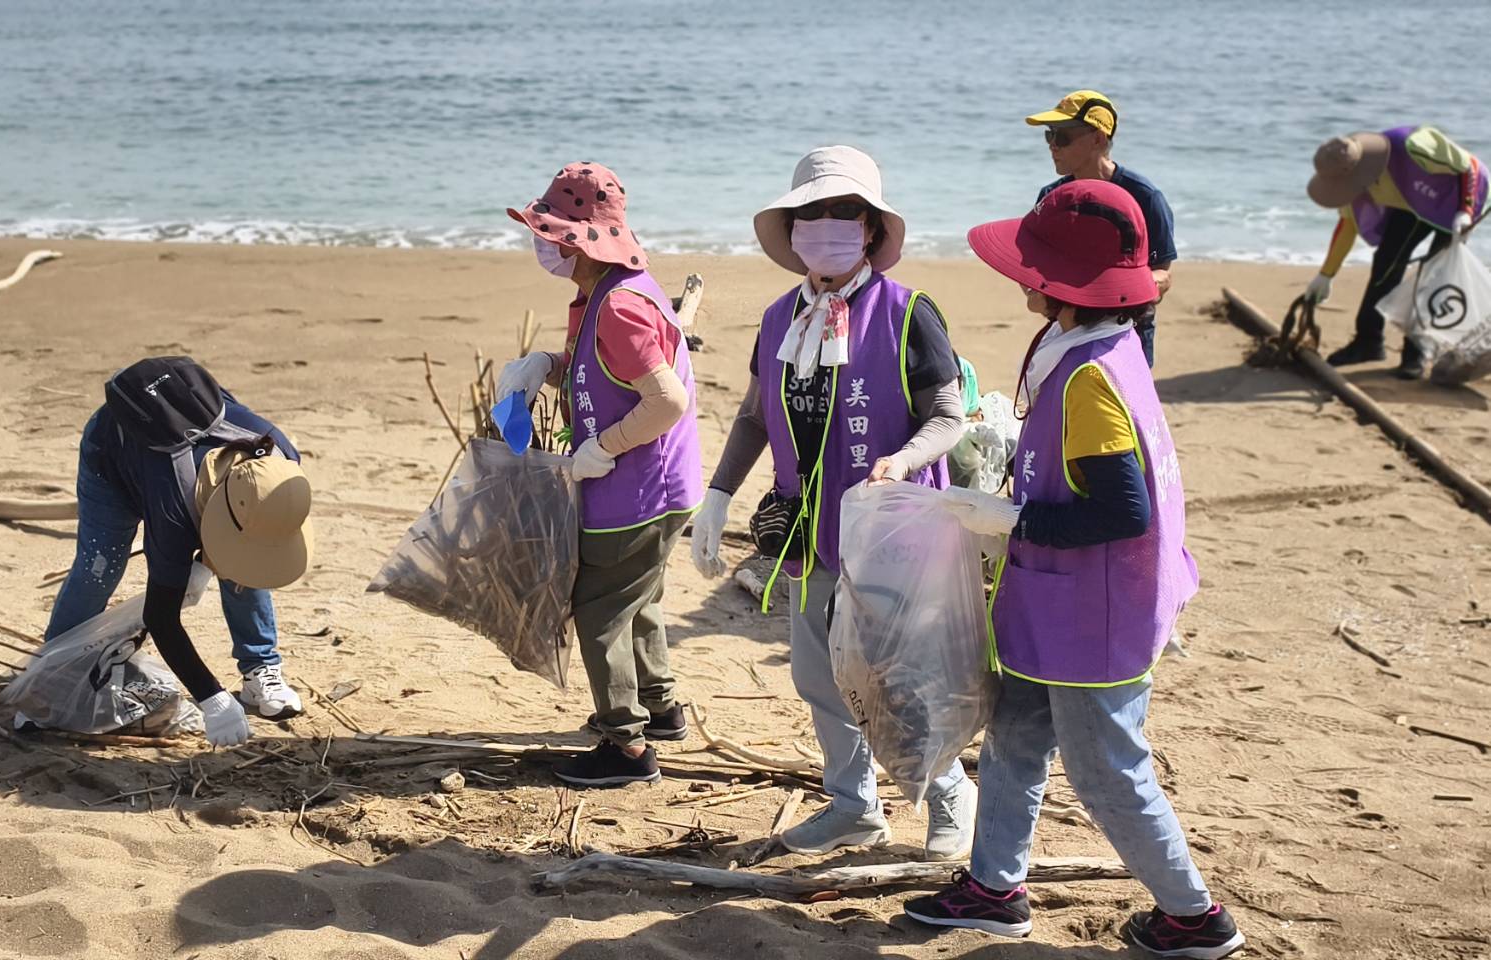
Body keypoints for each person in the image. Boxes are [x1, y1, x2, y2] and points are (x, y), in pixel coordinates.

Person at [903, 181, 1245, 959]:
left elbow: (1124, 509)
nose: (1022, 275)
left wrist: (1013, 519)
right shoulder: (1107, 347)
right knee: (1016, 736)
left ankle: (1195, 917)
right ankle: (994, 889)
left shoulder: (1090, 376)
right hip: (1057, 604)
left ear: (1063, 284)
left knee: (1108, 771)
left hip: (1095, 613)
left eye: (1035, 265)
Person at [690, 145, 976, 859]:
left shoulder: (907, 313)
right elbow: (757, 415)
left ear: (872, 229)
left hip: (893, 533)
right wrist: (719, 493)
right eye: (808, 214)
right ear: (791, 233)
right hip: (807, 533)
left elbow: (947, 416)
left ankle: (949, 795)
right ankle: (854, 805)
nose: (824, 225)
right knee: (819, 676)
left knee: (898, 675)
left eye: (841, 211)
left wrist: (903, 459)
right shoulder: (780, 316)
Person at [495, 162, 703, 788]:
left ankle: (628, 747)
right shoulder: (607, 292)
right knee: (637, 597)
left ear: (577, 239)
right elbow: (603, 369)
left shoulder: (620, 307)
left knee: (599, 609)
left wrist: (602, 449)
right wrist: (545, 365)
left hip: (637, 488)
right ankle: (661, 708)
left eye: (551, 233)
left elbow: (666, 401)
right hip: (659, 484)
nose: (544, 245)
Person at [44, 356, 315, 748]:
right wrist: (212, 697)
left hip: (197, 487)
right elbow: (161, 616)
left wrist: (209, 562)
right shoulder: (173, 510)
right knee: (99, 569)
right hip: (112, 462)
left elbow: (256, 531)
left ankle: (260, 669)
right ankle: (52, 678)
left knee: (248, 556)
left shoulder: (281, 459)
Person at [1302, 125, 1486, 378]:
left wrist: (1465, 210)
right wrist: (1326, 275)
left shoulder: (1412, 145)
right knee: (1386, 263)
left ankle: (1416, 354)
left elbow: (1469, 166)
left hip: (1458, 198)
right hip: (1411, 201)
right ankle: (1368, 342)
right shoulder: (1346, 178)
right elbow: (1347, 227)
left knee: (1432, 275)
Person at [1027, 90, 1176, 368]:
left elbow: (1162, 274)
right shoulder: (1052, 199)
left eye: (1062, 136)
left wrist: (1112, 296)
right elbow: (1030, 268)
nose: (1052, 146)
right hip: (1064, 331)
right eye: (1049, 135)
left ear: (1098, 138)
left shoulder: (1145, 197)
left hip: (1125, 334)